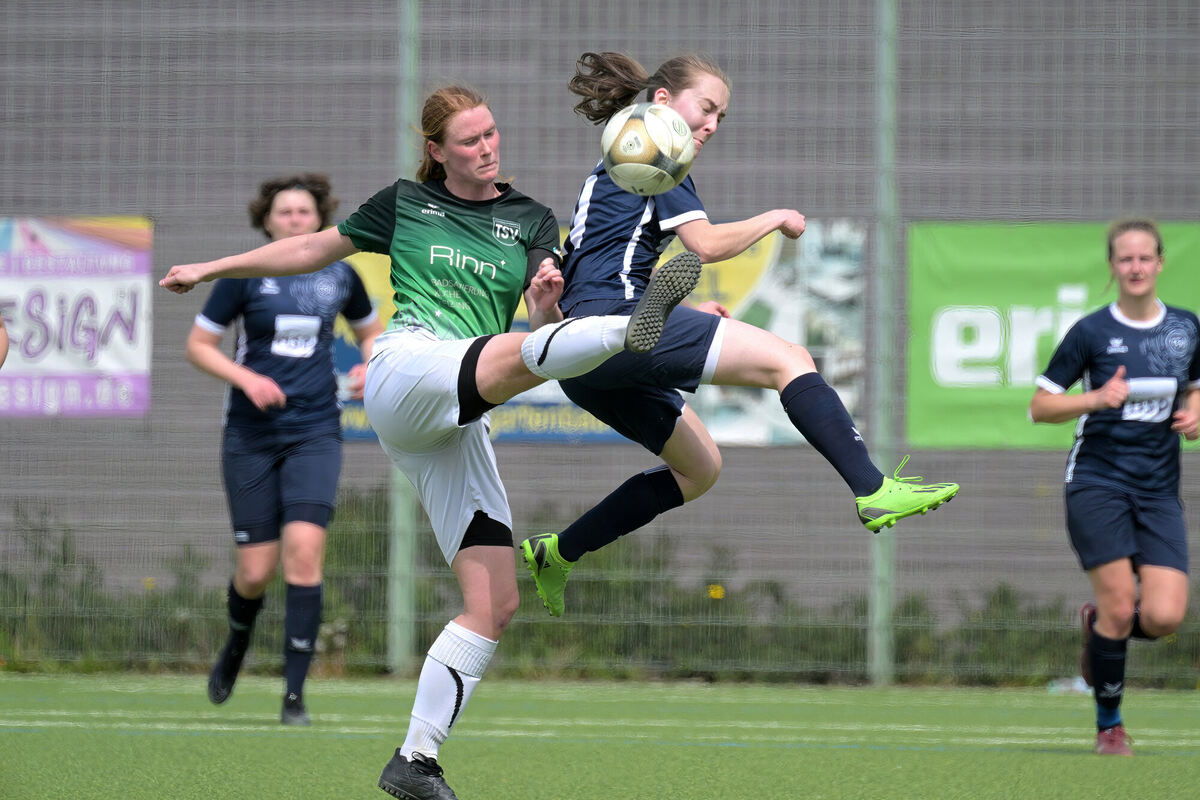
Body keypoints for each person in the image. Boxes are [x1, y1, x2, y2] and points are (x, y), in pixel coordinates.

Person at [162, 86, 700, 800]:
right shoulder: (404, 205)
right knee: (517, 350)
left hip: (454, 415)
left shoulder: (530, 218)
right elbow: (306, 250)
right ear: (437, 152)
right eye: (470, 140)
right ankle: (638, 327)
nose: (487, 147)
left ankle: (415, 761)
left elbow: (549, 310)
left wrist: (547, 300)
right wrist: (209, 268)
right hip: (408, 368)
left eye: (491, 133)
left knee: (496, 599)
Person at [520, 52, 960, 617]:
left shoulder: (614, 161)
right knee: (790, 358)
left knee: (699, 469)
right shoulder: (656, 149)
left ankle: (558, 552)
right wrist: (775, 217)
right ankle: (873, 490)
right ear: (662, 103)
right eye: (705, 108)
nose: (710, 126)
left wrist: (673, 313)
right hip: (617, 325)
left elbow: (607, 264)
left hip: (587, 353)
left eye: (720, 118)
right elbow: (703, 246)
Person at [185, 173, 384, 726]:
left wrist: (371, 360)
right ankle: (237, 639)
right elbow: (199, 346)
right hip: (250, 436)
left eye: (303, 212)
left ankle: (294, 696)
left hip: (315, 432)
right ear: (266, 220)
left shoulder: (342, 274)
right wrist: (245, 379)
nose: (295, 220)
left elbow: (371, 331)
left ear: (318, 218)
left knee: (304, 553)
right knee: (255, 570)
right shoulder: (244, 276)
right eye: (284, 213)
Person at [1030, 219, 1199, 756]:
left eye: (1145, 258)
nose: (1135, 267)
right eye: (1125, 259)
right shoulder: (1091, 332)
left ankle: (1097, 625)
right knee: (1123, 607)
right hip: (1097, 483)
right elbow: (1041, 406)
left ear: (1160, 263)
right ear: (1112, 265)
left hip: (1157, 490)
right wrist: (1095, 399)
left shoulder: (1187, 328)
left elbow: (1194, 390)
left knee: (1165, 616)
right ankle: (1110, 725)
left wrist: (1194, 414)